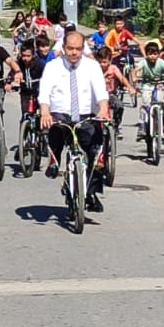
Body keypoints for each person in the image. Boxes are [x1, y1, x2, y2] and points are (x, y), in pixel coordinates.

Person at [37, 29, 112, 212]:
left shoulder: (92, 66)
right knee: (54, 134)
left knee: (97, 154)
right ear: (63, 48)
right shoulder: (53, 66)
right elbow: (45, 92)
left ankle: (91, 193)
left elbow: (101, 92)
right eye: (70, 48)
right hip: (60, 114)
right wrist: (45, 112)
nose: (74, 53)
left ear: (82, 49)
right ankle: (54, 160)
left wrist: (103, 108)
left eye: (78, 49)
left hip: (86, 115)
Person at [132, 41, 164, 147]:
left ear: (158, 54)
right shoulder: (144, 62)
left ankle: (162, 119)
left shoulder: (161, 62)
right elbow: (135, 70)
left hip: (159, 84)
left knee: (161, 101)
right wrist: (134, 77)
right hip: (147, 85)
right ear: (146, 54)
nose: (152, 56)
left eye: (155, 54)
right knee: (145, 105)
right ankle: (142, 126)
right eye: (150, 54)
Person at [94, 45, 134, 136]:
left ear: (110, 61)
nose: (102, 65)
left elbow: (121, 78)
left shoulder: (113, 69)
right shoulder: (95, 69)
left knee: (119, 106)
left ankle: (116, 125)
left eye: (104, 62)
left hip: (110, 94)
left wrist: (129, 87)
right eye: (100, 62)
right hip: (97, 96)